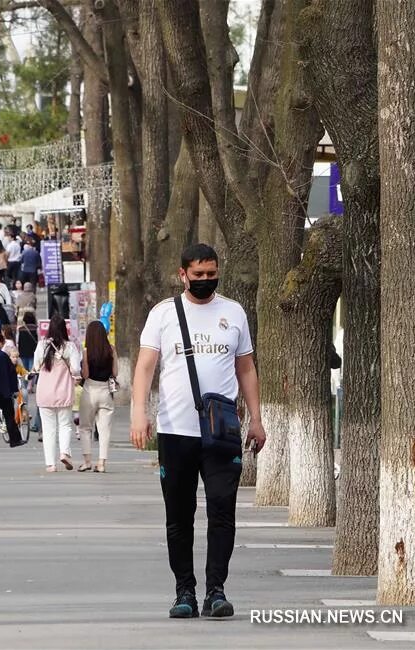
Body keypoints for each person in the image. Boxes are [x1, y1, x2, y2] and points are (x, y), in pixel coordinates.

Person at [130, 243, 265, 620]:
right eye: (198, 275)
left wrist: (256, 417)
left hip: (222, 431)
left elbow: (247, 369)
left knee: (222, 511)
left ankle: (216, 590)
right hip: (176, 431)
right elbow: (144, 368)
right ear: (182, 274)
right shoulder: (163, 315)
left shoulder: (234, 312)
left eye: (211, 274)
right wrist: (139, 414)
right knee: (179, 514)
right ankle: (184, 591)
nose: (205, 280)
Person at [33, 313, 81, 472]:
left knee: (48, 429)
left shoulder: (41, 346)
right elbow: (76, 369)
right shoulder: (70, 347)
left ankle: (50, 464)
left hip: (45, 392)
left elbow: (36, 365)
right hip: (63, 392)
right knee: (65, 425)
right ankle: (65, 452)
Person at [78, 320, 117, 473]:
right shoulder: (111, 349)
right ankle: (101, 463)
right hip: (106, 391)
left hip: (90, 390)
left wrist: (85, 361)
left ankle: (87, 461)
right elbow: (115, 372)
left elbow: (85, 374)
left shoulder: (87, 351)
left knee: (85, 428)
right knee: (104, 429)